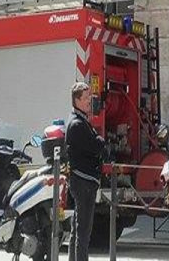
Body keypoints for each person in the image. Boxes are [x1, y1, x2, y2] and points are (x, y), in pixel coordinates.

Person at [66, 82, 106, 261]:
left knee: (78, 229)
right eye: (86, 97)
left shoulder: (81, 121)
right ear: (77, 100)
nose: (90, 100)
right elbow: (96, 145)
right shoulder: (77, 124)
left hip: (83, 181)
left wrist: (97, 139)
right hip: (83, 182)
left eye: (89, 96)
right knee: (83, 231)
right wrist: (100, 140)